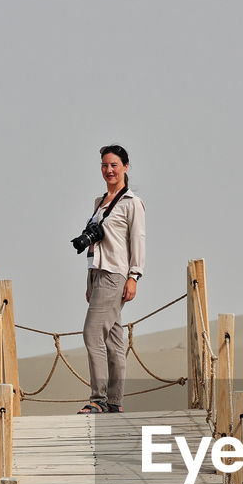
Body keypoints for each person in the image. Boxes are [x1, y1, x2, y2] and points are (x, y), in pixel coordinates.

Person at [78, 144, 145, 413]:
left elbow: (137, 240)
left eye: (114, 165)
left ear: (126, 167)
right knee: (113, 338)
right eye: (105, 165)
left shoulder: (132, 203)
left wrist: (135, 276)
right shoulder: (99, 202)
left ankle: (99, 398)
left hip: (116, 273)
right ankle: (115, 402)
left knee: (92, 333)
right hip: (97, 274)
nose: (109, 170)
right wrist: (88, 282)